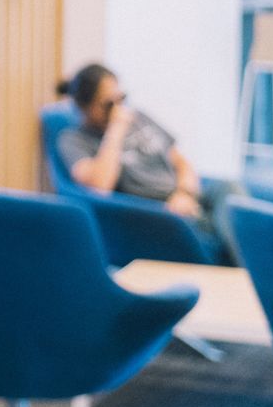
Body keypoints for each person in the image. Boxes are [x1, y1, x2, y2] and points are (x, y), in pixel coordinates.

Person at [57, 63, 240, 260]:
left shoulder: (139, 118)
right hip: (158, 211)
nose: (119, 109)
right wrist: (116, 130)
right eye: (110, 104)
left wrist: (185, 192)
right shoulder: (73, 139)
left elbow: (181, 162)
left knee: (230, 191)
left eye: (122, 98)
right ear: (86, 108)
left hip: (185, 194)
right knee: (224, 232)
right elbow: (100, 186)